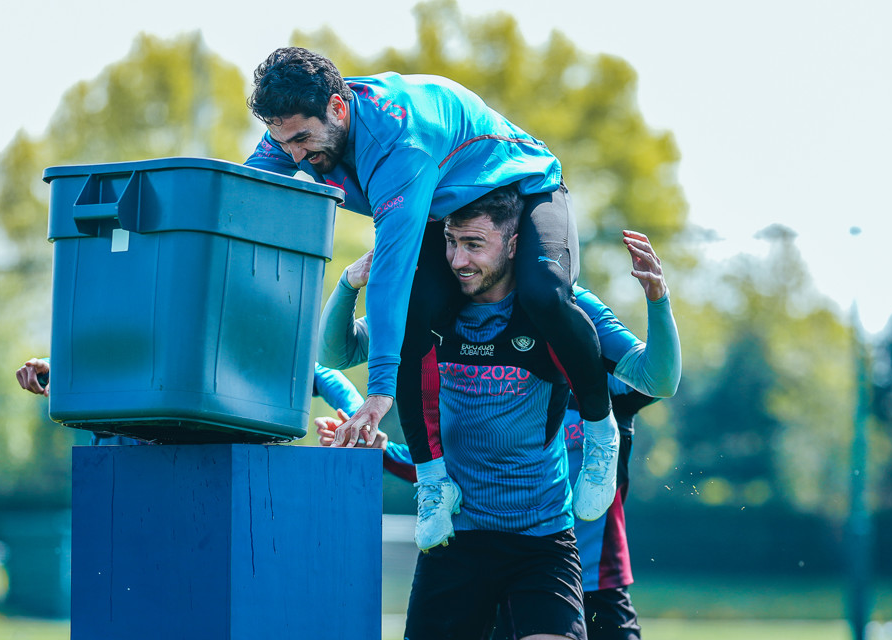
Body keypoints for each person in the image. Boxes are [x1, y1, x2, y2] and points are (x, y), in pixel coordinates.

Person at [243, 47, 617, 546]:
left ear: (337, 107)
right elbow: (246, 199)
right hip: (450, 209)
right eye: (281, 140)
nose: (292, 155)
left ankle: (600, 430)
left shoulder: (401, 145)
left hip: (522, 188)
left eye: (302, 140)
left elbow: (392, 271)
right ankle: (434, 481)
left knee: (543, 293)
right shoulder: (294, 130)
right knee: (421, 313)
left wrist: (378, 391)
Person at [318, 186, 678, 639]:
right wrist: (350, 282)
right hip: (456, 539)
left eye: (474, 244)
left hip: (542, 540)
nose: (458, 260)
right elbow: (338, 350)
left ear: (512, 245)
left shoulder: (561, 307)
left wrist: (658, 301)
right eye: (451, 241)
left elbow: (657, 379)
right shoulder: (430, 309)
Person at [15, 358, 363, 447]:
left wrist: (359, 417)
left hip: (209, 473)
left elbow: (317, 373)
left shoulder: (229, 324)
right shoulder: (145, 311)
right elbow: (107, 360)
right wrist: (55, 367)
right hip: (127, 468)